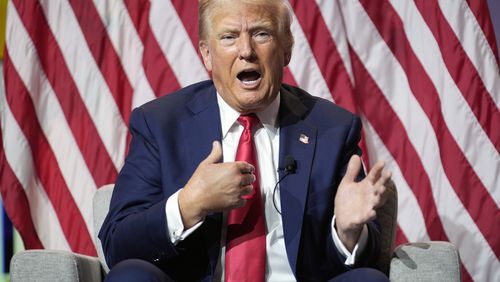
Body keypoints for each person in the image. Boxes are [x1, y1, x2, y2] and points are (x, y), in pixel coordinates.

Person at [99, 0, 392, 281]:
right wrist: (188, 204)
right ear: (207, 54)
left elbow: (352, 259)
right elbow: (118, 244)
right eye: (228, 37)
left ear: (286, 49)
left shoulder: (331, 129)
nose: (246, 51)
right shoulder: (161, 124)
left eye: (261, 34)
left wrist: (347, 233)